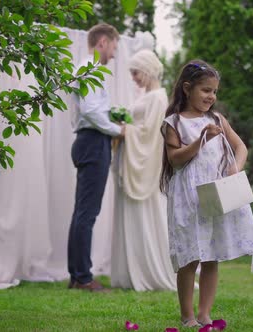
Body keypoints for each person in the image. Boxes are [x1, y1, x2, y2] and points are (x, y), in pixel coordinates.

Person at [160, 60, 253, 327]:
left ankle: (205, 313)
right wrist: (201, 140)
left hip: (215, 193)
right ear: (187, 88)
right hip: (189, 197)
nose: (211, 97)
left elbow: (241, 147)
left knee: (211, 254)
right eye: (205, 90)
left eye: (214, 91)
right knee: (190, 256)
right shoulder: (174, 122)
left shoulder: (217, 119)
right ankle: (187, 315)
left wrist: (234, 167)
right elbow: (175, 160)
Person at [110, 50, 176, 291]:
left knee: (145, 215)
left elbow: (151, 133)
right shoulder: (149, 96)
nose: (133, 78)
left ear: (147, 70)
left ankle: (149, 271)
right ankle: (130, 271)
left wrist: (127, 130)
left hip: (142, 166)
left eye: (135, 72)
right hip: (130, 161)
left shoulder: (158, 97)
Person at [68, 23, 125, 292]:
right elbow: (91, 111)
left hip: (89, 142)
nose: (113, 54)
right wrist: (118, 130)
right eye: (113, 47)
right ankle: (83, 277)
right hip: (93, 142)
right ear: (102, 42)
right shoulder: (90, 69)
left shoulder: (87, 68)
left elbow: (94, 109)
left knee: (82, 212)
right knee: (87, 213)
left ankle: (77, 275)